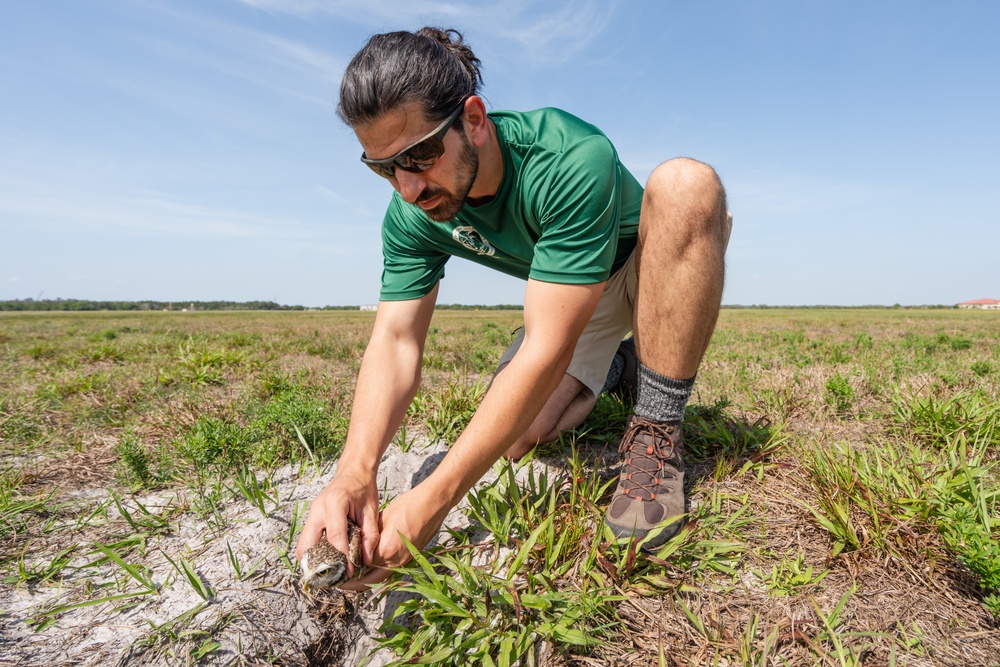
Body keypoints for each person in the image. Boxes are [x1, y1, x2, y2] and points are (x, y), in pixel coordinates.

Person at [294, 27, 732, 589]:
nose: (407, 187)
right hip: (573, 294)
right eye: (384, 168)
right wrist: (353, 473)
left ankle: (654, 430)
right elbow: (396, 339)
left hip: (650, 266)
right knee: (522, 433)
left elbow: (545, 348)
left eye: (420, 155)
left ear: (474, 120)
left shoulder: (567, 157)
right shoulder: (413, 214)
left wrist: (436, 498)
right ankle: (624, 365)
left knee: (685, 184)